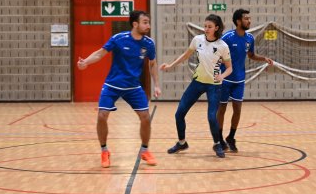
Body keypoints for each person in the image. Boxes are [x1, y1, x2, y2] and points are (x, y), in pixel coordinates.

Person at [77, 10, 161, 168]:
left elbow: (152, 64)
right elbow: (100, 53)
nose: (148, 25)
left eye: (148, 22)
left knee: (145, 117)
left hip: (133, 87)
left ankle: (145, 150)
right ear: (135, 24)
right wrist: (86, 62)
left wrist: (156, 84)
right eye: (145, 22)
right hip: (112, 85)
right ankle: (104, 151)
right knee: (102, 115)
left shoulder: (149, 43)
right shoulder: (118, 39)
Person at [160, 14, 233, 158]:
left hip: (214, 85)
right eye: (205, 26)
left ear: (216, 28)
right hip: (197, 82)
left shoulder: (222, 46)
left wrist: (222, 76)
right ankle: (182, 143)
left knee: (212, 117)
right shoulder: (197, 40)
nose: (206, 29)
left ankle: (217, 143)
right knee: (179, 113)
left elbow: (230, 68)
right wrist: (170, 65)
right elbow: (185, 55)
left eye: (209, 27)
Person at [217, 9, 273, 152]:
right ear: (238, 21)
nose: (249, 21)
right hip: (224, 79)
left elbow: (251, 55)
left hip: (239, 80)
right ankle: (219, 139)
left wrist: (263, 59)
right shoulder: (227, 37)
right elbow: (216, 54)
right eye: (246, 18)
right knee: (221, 109)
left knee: (237, 109)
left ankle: (231, 137)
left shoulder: (250, 38)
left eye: (249, 18)